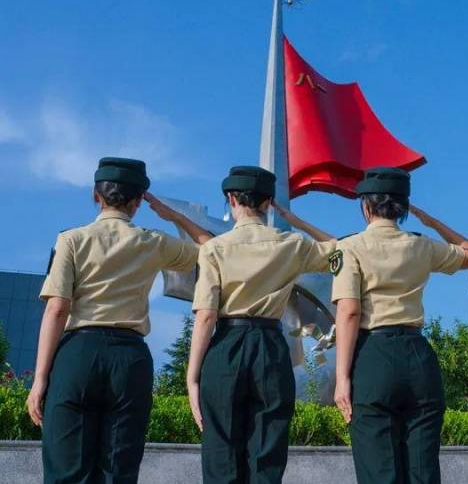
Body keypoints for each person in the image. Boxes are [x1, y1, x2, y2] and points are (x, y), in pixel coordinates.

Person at [27, 157, 211, 484]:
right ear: (140, 201)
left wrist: (41, 378)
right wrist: (174, 216)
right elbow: (211, 250)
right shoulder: (153, 241)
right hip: (129, 358)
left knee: (66, 469)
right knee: (118, 470)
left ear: (95, 195)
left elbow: (57, 309)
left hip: (77, 355)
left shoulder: (71, 240)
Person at [187, 165, 336, 484]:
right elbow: (341, 252)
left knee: (221, 452)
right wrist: (294, 222)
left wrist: (192, 377)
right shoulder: (292, 245)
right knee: (267, 453)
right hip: (270, 346)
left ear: (231, 198)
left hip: (227, 344)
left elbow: (205, 316)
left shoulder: (214, 248)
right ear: (269, 202)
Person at [331, 167, 468, 484]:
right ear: (403, 207)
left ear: (365, 205)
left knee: (378, 470)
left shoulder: (351, 247)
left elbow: (349, 311)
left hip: (373, 356)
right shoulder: (422, 245)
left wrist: (341, 377)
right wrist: (431, 221)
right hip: (418, 355)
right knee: (423, 470)